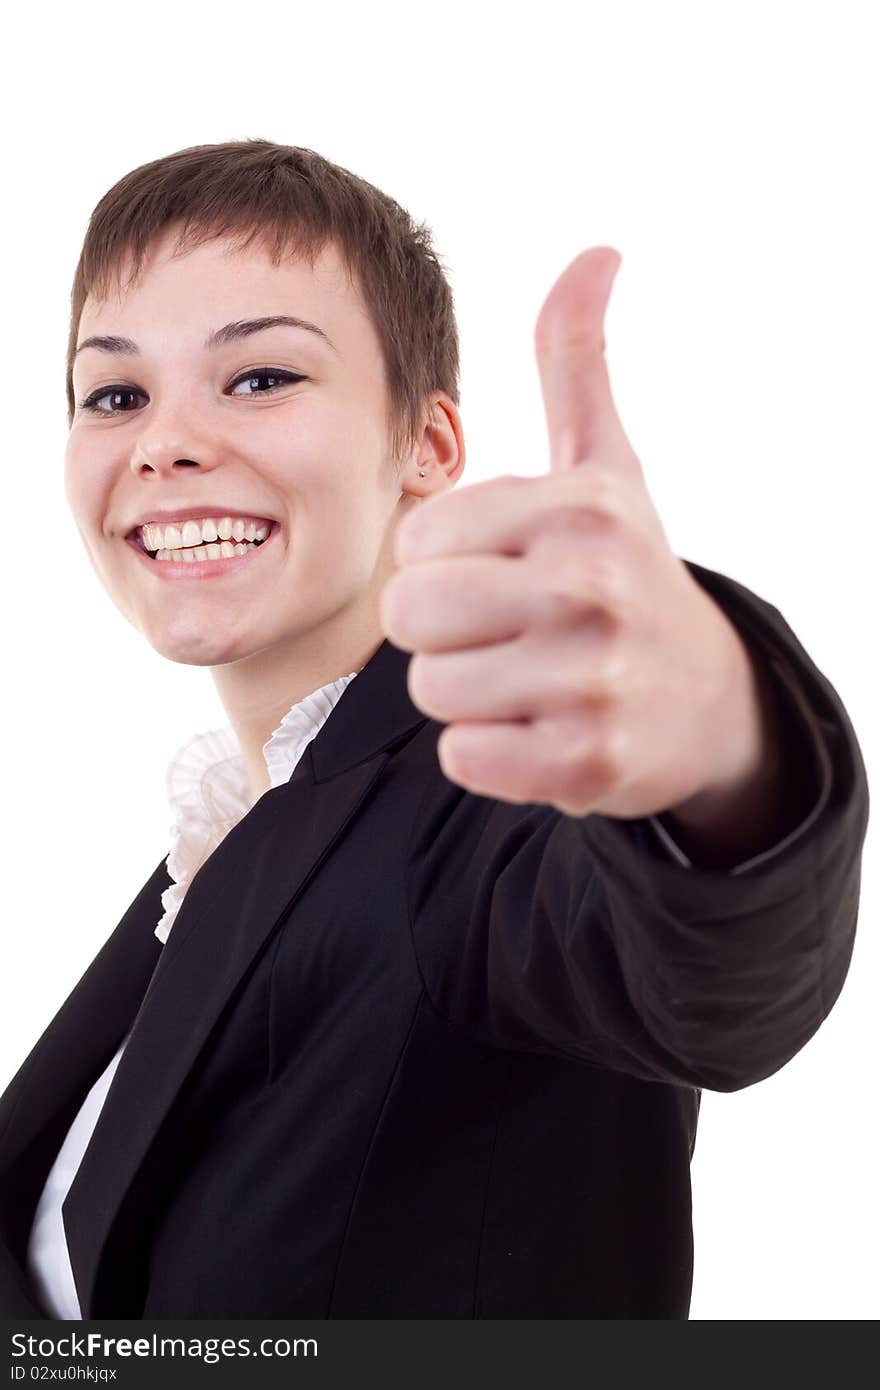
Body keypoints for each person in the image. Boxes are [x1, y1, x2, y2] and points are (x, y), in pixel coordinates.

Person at [0, 138, 869, 1321]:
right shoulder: (222, 837)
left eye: (259, 377)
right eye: (116, 393)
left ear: (429, 446)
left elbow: (709, 986)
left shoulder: (490, 795)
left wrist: (722, 750)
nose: (164, 441)